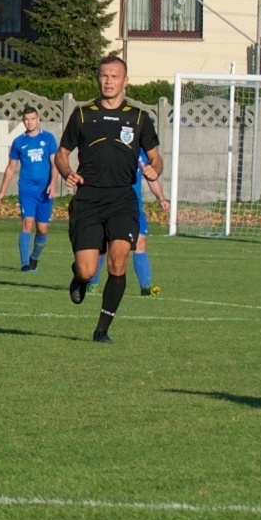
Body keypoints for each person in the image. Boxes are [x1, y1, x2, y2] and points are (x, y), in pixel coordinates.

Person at [54, 55, 162, 344]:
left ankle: (102, 329)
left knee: (118, 261)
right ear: (98, 79)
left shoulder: (139, 118)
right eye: (104, 75)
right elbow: (61, 153)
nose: (109, 81)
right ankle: (79, 277)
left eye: (115, 76)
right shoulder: (82, 114)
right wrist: (66, 172)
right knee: (89, 269)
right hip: (88, 200)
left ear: (125, 81)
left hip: (122, 200)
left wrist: (154, 170)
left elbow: (155, 157)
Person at [87, 150, 169, 296]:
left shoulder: (142, 152)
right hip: (111, 204)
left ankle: (146, 286)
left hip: (134, 206)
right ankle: (92, 283)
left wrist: (161, 198)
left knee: (141, 243)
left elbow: (151, 177)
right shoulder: (113, 146)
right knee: (104, 245)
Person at [0, 107, 59, 272]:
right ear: (23, 121)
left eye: (32, 118)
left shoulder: (48, 138)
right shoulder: (19, 142)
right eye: (26, 119)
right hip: (27, 189)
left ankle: (34, 258)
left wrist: (53, 183)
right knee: (27, 223)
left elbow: (55, 164)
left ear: (38, 119)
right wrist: (2, 191)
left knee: (42, 229)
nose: (29, 122)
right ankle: (25, 263)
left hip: (45, 191)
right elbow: (11, 168)